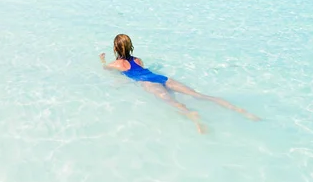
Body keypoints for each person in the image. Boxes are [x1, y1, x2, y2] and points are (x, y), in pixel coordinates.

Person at [100, 34, 259, 133]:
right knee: (198, 95)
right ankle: (239, 110)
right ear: (130, 46)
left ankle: (192, 116)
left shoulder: (116, 64)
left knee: (172, 102)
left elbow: (106, 69)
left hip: (148, 83)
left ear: (116, 48)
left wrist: (102, 60)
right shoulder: (138, 59)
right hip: (160, 78)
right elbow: (141, 68)